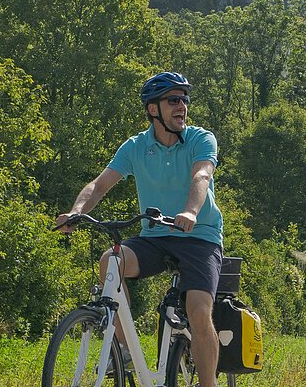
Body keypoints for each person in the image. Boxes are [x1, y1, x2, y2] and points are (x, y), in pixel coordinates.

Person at [56, 71, 224, 386]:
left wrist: (190, 211)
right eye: (173, 100)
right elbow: (100, 185)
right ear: (152, 109)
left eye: (184, 100)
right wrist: (77, 211)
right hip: (155, 236)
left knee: (199, 311)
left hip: (198, 237)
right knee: (111, 260)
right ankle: (123, 348)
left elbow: (202, 176)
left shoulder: (202, 138)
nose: (182, 106)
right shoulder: (135, 147)